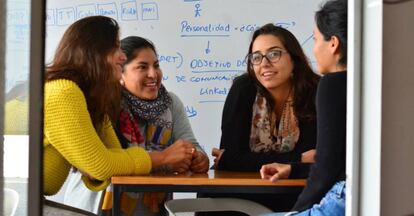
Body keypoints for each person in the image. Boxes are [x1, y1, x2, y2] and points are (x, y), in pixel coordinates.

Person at [43, 16, 197, 211]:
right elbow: (102, 165)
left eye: (156, 65)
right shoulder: (63, 92)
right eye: (115, 48)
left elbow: (107, 159)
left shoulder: (91, 98)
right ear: (95, 52)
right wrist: (164, 158)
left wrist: (102, 164)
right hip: (18, 200)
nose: (122, 56)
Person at [200, 23, 320, 214]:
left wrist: (247, 161)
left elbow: (316, 159)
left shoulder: (316, 92)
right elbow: (230, 160)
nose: (264, 63)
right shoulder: (243, 89)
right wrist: (296, 159)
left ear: (294, 59)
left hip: (294, 192)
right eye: (256, 57)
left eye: (274, 54)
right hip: (238, 193)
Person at [260, 0, 348, 215]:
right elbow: (341, 161)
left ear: (333, 43)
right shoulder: (369, 82)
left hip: (342, 198)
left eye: (317, 39)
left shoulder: (332, 83)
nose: (315, 48)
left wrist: (296, 211)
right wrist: (294, 168)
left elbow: (327, 166)